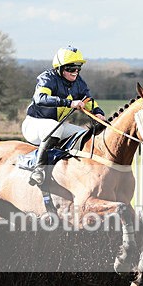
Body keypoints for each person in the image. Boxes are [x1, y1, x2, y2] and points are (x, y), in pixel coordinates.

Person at [21, 46, 106, 186]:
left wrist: (98, 113)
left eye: (78, 69)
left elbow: (88, 100)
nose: (75, 73)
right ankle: (38, 169)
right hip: (34, 124)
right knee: (55, 128)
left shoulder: (78, 82)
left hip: (57, 125)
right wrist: (69, 103)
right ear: (60, 68)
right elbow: (40, 98)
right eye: (71, 69)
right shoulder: (47, 78)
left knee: (84, 135)